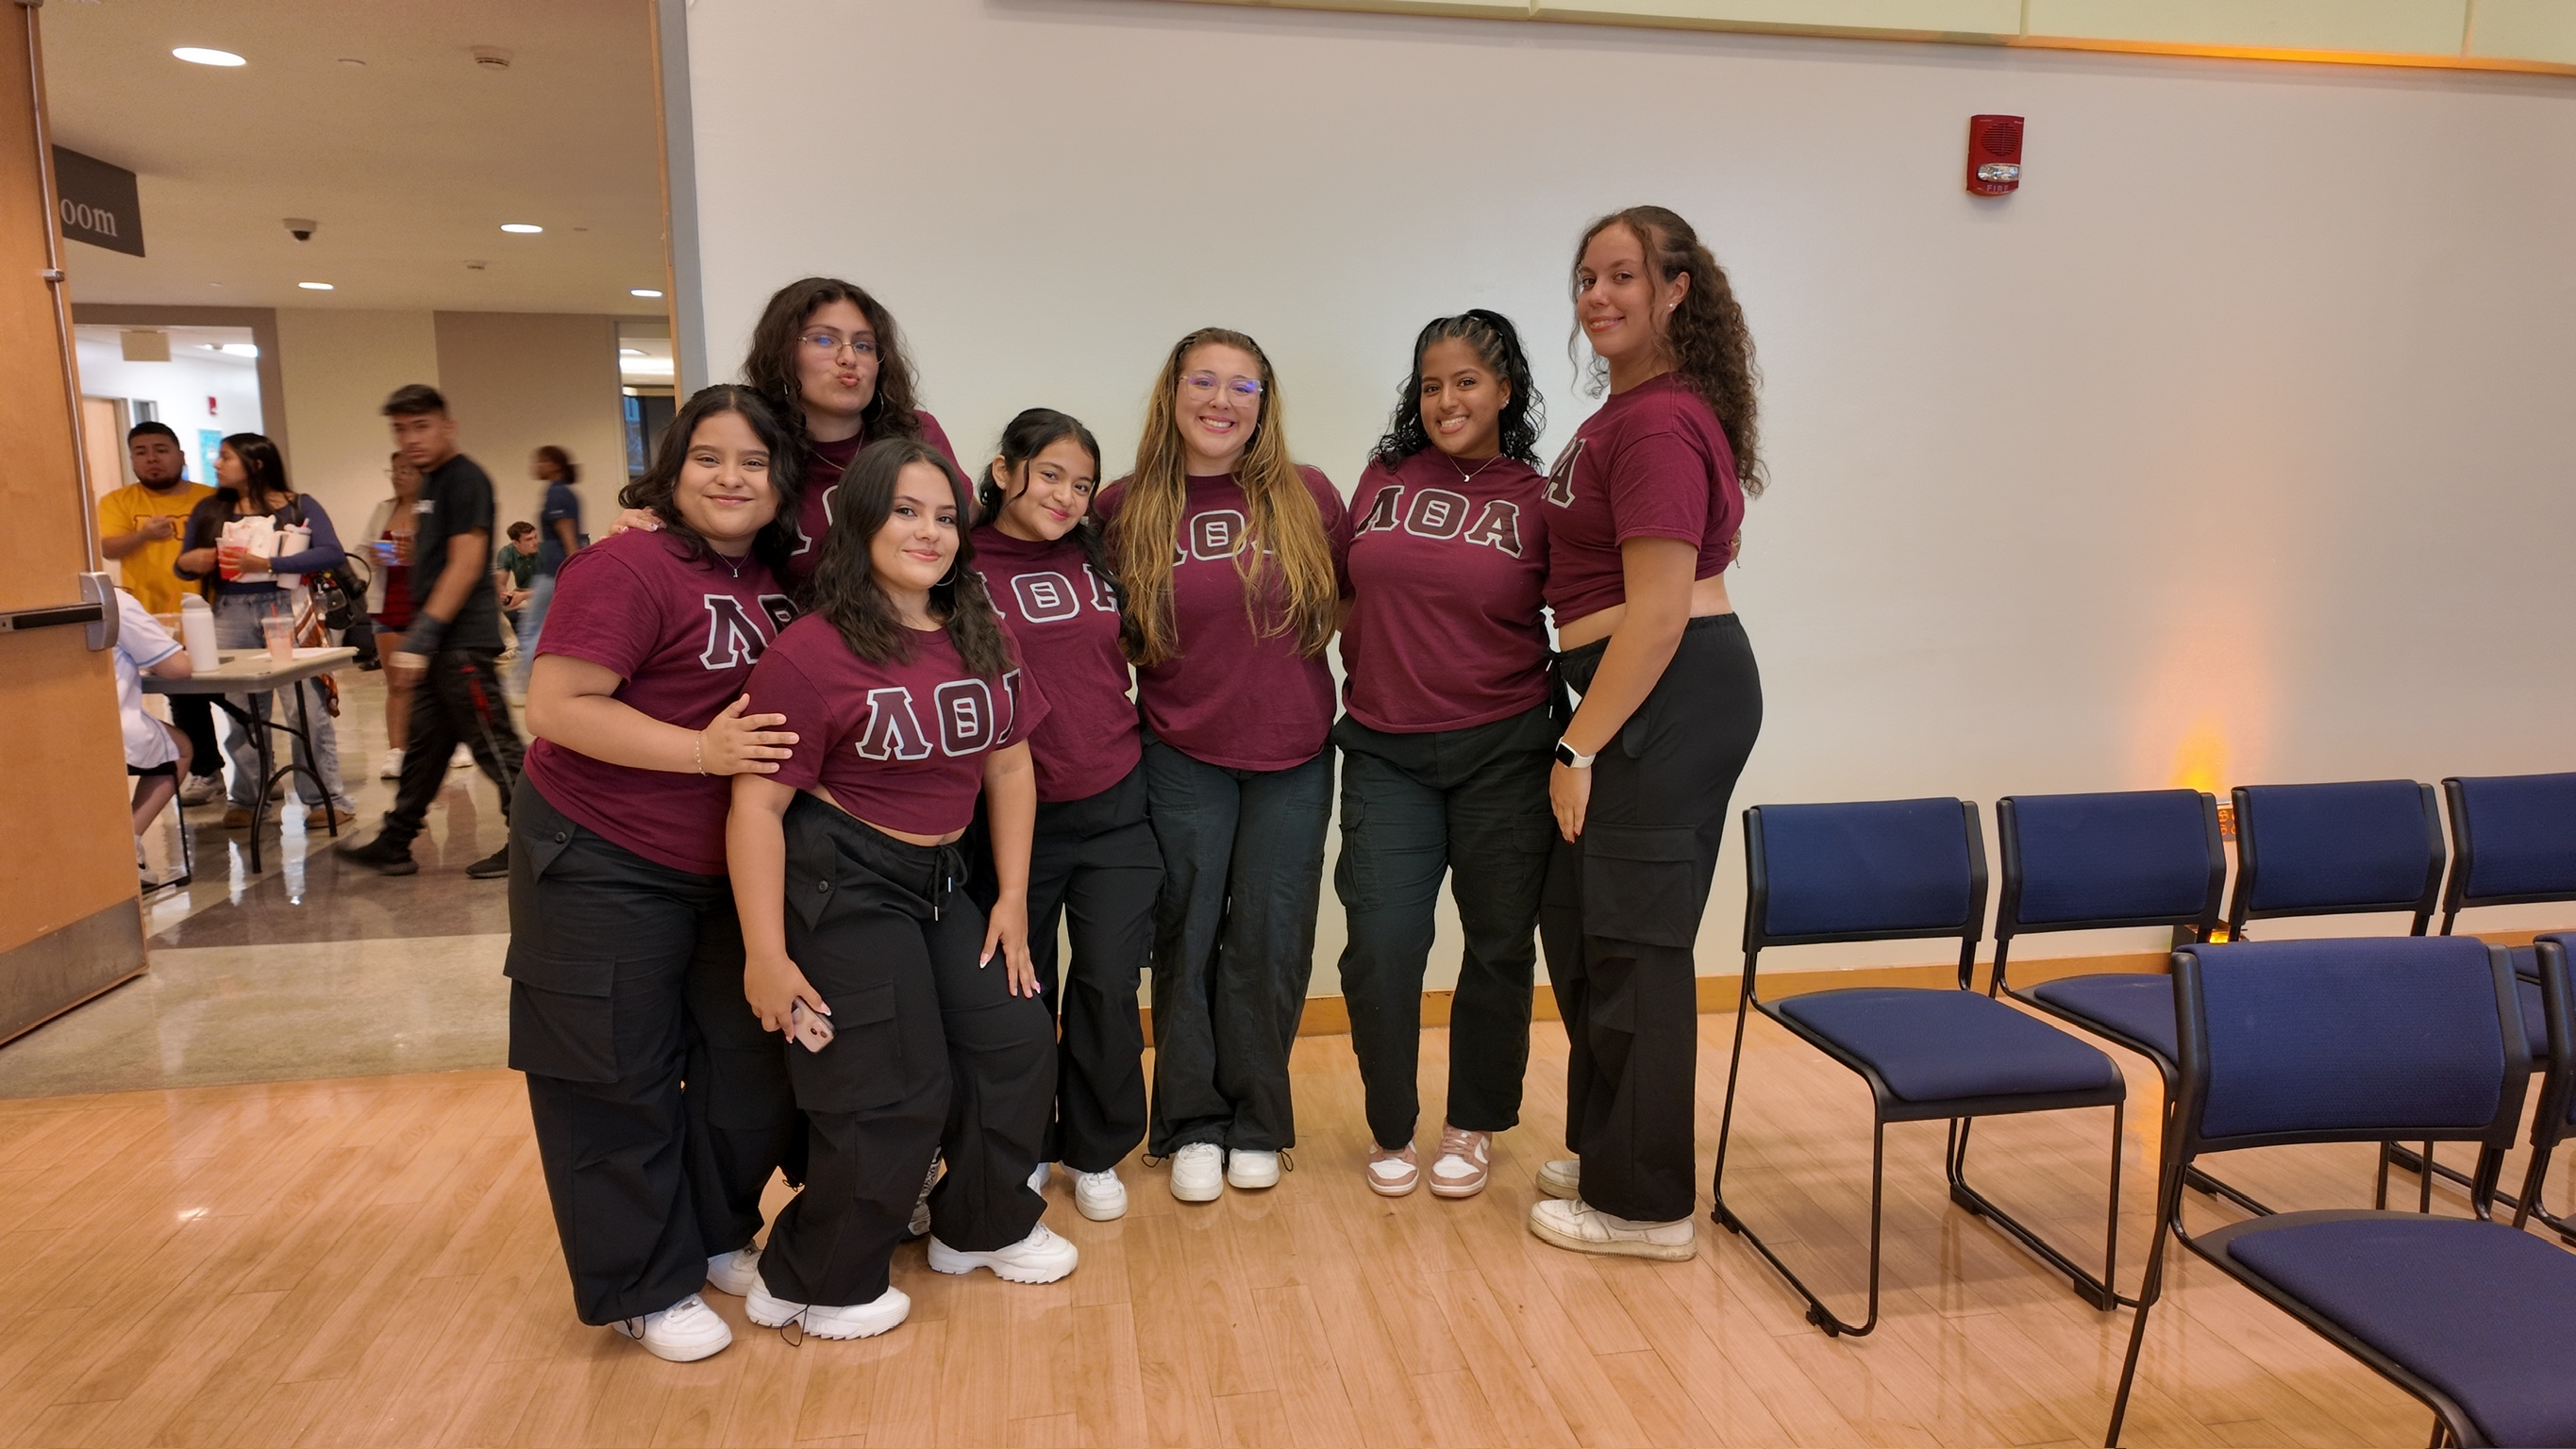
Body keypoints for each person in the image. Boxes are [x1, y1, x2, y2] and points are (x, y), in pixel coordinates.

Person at [730, 438, 1070, 1341]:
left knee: (1016, 1037)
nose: (930, 532)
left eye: (946, 515)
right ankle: (814, 1279)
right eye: (906, 512)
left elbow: (1010, 768)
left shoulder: (978, 631)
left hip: (942, 879)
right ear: (861, 523)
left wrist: (1011, 899)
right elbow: (757, 808)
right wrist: (767, 954)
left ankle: (980, 1227)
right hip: (840, 879)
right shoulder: (811, 651)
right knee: (890, 1085)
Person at [507, 385, 804, 1363]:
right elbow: (555, 704)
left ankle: (716, 1232)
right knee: (612, 1075)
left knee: (741, 1067)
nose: (732, 478)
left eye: (754, 463)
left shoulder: (774, 579)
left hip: (720, 866)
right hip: (598, 853)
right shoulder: (626, 565)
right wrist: (701, 756)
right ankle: (642, 1282)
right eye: (709, 458)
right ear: (673, 473)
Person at [1527, 206, 1765, 1261]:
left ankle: (1647, 1205)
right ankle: (1610, 1144)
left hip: (1658, 692)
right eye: (1586, 277)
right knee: (1588, 931)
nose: (1599, 296)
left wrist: (1577, 747)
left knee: (1637, 947)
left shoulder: (1660, 423)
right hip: (1633, 689)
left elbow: (1661, 610)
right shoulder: (1627, 413)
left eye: (1623, 275)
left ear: (1676, 290)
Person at [1098, 328, 1351, 1203]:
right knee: (1189, 931)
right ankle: (1189, 1125)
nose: (1221, 399)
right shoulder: (1123, 506)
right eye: (1202, 381)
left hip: (1295, 753)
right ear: (1171, 395)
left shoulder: (1307, 495)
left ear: (1264, 403)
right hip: (1179, 749)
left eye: (1242, 386)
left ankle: (1259, 1124)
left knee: (1272, 942)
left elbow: (1353, 597)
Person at [1334, 311, 1555, 1201]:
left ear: (1505, 390)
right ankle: (1392, 1121)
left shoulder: (1538, 498)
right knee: (1381, 945)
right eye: (1431, 383)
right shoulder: (1383, 476)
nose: (1446, 399)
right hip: (1386, 750)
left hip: (1505, 747)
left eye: (1467, 381)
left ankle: (1474, 1119)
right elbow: (1350, 588)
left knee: (1498, 944)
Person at [970, 409, 1156, 1222]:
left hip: (1116, 800)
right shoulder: (956, 559)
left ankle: (1096, 1148)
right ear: (1005, 468)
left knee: (1110, 984)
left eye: (1082, 484)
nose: (1067, 495)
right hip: (1011, 820)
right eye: (1050, 474)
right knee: (1017, 994)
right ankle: (1020, 1147)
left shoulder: (1099, 555)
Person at [611, 278, 956, 601]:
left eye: (864, 345)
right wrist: (641, 529)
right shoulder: (754, 454)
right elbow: (696, 536)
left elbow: (969, 527)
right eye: (824, 339)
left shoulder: (917, 434)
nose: (849, 358)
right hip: (800, 646)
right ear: (784, 353)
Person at [337, 385, 527, 879]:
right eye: (401, 429)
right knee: (425, 748)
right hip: (441, 642)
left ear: (447, 427)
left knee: (494, 744)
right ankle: (396, 841)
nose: (411, 438)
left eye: (421, 426)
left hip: (461, 642)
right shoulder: (430, 484)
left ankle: (533, 842)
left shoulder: (465, 480)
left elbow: (465, 566)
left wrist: (422, 637)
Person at [173, 433, 359, 831]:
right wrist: (197, 559)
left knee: (306, 708)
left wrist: (268, 563)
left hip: (287, 608)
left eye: (226, 457)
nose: (217, 464)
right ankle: (247, 796)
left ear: (256, 464)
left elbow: (331, 552)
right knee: (243, 712)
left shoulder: (298, 505)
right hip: (229, 611)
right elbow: (182, 564)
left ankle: (326, 797)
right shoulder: (210, 508)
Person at [98, 422, 223, 808]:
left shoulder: (211, 499)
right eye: (140, 451)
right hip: (156, 621)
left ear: (181, 455)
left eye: (160, 449)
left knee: (241, 697)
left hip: (215, 612)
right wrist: (144, 536)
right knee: (184, 700)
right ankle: (206, 771)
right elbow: (109, 547)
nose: (151, 459)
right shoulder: (117, 502)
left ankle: (257, 774)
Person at [110, 587, 194, 888]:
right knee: (180, 749)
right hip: (107, 730)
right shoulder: (112, 600)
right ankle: (124, 848)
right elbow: (177, 667)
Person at [362, 453, 426, 782]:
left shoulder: (433, 509)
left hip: (425, 608)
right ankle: (398, 750)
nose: (399, 477)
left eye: (407, 470)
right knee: (397, 683)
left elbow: (449, 558)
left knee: (434, 685)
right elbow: (361, 550)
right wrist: (375, 554)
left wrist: (418, 555)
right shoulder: (383, 509)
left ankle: (448, 743)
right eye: (395, 470)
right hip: (389, 604)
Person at [511, 446, 586, 703]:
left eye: (541, 460)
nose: (536, 465)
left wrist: (572, 568)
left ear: (554, 464)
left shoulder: (556, 493)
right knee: (543, 627)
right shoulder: (566, 492)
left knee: (533, 627)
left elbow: (567, 534)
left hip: (555, 570)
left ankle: (522, 685)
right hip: (559, 569)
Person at [495, 521, 540, 638]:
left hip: (542, 592)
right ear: (516, 543)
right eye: (529, 539)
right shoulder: (506, 553)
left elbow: (554, 585)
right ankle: (511, 644)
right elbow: (500, 583)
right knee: (491, 606)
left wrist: (524, 596)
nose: (535, 542)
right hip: (521, 591)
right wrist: (506, 595)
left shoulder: (544, 551)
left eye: (535, 537)